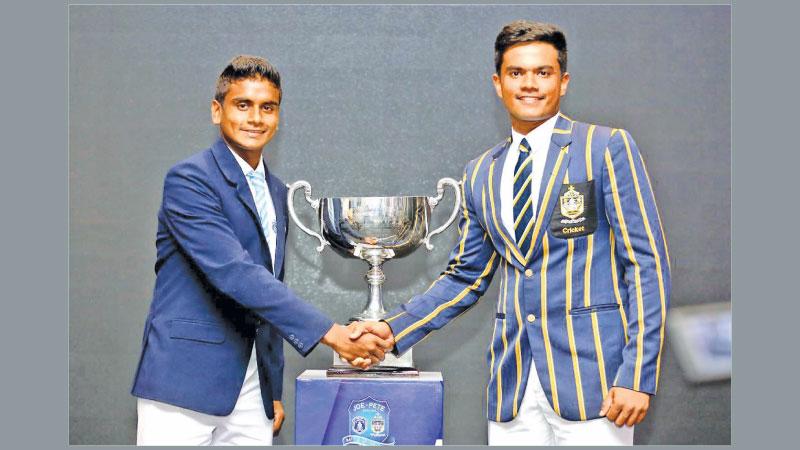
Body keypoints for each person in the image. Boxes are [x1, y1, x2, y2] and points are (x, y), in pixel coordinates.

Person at [354, 21, 671, 445]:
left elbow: (646, 266)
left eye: (543, 72)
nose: (530, 85)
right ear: (498, 83)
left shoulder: (605, 147)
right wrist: (393, 330)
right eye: (516, 73)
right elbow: (466, 277)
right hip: (513, 387)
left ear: (564, 81)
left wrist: (637, 373)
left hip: (596, 385)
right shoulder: (480, 172)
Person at [130, 55, 392, 446]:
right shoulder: (189, 180)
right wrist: (333, 333)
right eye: (242, 105)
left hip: (252, 390)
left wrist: (271, 390)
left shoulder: (277, 191)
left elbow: (269, 290)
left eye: (267, 107)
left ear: (278, 116)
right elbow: (235, 274)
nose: (256, 117)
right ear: (217, 111)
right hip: (183, 382)